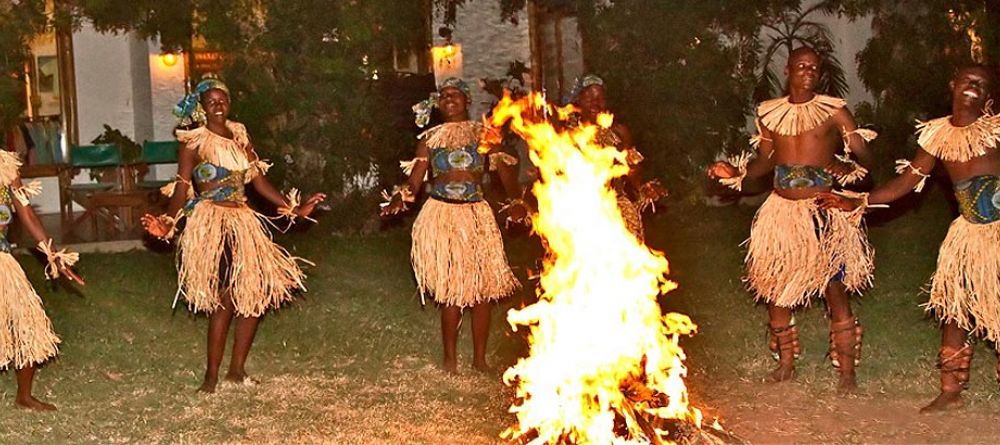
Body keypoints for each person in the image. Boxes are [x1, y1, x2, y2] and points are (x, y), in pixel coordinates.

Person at [819, 65, 1000, 411]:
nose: (972, 88)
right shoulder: (937, 137)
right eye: (967, 81)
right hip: (967, 236)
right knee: (955, 310)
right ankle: (950, 391)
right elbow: (903, 184)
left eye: (981, 85)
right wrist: (858, 201)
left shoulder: (996, 130)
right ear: (953, 84)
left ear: (989, 99)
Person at [708, 47, 876, 393]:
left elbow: (865, 156)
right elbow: (764, 162)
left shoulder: (834, 111)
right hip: (782, 212)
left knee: (835, 286)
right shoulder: (770, 114)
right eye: (801, 66)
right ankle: (786, 362)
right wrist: (736, 173)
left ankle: (846, 370)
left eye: (814, 68)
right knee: (777, 286)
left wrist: (849, 168)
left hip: (822, 209)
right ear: (788, 71)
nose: (808, 72)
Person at [141, 78, 325, 393]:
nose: (218, 105)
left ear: (229, 102)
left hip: (243, 220)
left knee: (252, 296)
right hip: (212, 221)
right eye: (210, 101)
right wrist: (169, 221)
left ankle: (236, 370)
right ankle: (211, 375)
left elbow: (258, 182)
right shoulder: (193, 142)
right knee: (225, 298)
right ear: (201, 106)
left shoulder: (240, 135)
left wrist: (293, 209)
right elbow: (183, 187)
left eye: (222, 99)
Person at [382, 77, 524, 373]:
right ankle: (450, 359)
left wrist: (516, 201)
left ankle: (480, 359)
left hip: (476, 215)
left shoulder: (484, 134)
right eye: (444, 95)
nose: (449, 99)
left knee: (481, 289)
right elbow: (415, 180)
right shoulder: (430, 138)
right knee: (452, 289)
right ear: (438, 101)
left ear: (467, 100)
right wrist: (401, 196)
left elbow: (506, 175)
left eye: (455, 94)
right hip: (443, 214)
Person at [0, 150, 84, 410]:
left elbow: (27, 214)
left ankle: (24, 396)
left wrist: (53, 254)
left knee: (28, 323)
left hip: (2, 260)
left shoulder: (6, 165)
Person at [568, 75, 668, 240]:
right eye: (589, 97)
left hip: (614, 202)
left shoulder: (618, 132)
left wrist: (643, 187)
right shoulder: (565, 134)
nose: (595, 103)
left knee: (626, 225)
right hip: (578, 203)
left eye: (600, 98)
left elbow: (632, 167)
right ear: (579, 99)